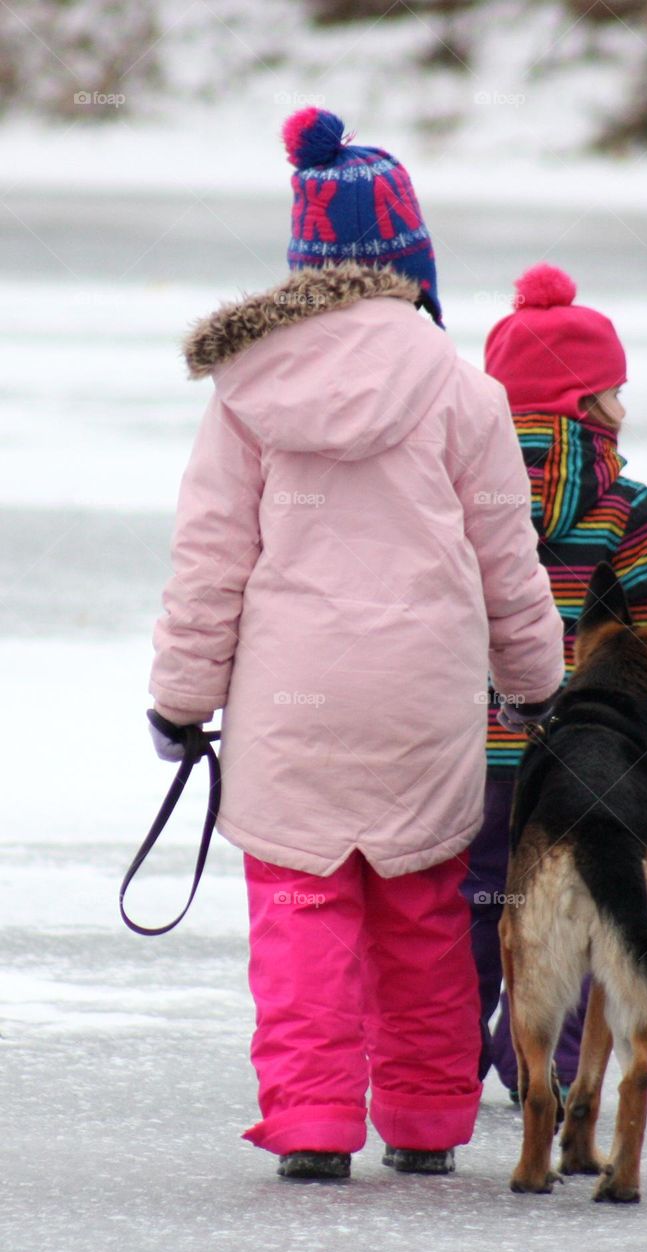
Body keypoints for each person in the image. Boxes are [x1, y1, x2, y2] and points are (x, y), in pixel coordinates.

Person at [146, 110, 564, 1181]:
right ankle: (425, 1117)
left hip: (293, 704)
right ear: (410, 265)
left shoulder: (245, 394)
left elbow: (210, 562)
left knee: (300, 914)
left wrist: (182, 701)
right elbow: (506, 559)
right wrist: (533, 683)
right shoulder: (463, 390)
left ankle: (313, 1123)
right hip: (422, 700)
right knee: (423, 911)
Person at [465, 263, 647, 1099]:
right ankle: (551, 1070)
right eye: (615, 389)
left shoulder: (455, 492)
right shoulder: (628, 503)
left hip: (460, 753)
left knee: (462, 916)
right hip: (587, 761)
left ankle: (432, 1070)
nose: (624, 404)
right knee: (575, 919)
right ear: (591, 404)